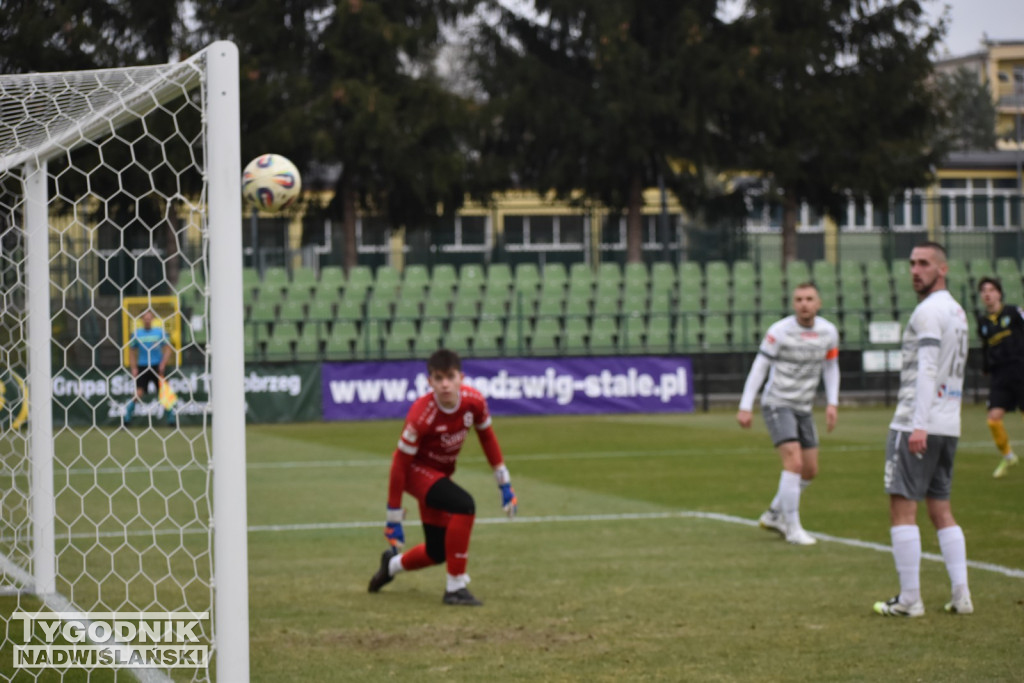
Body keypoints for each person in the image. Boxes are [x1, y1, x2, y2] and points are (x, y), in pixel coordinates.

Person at [367, 349, 518, 606]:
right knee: (464, 504)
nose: (445, 384)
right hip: (417, 474)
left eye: (450, 377)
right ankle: (455, 587)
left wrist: (504, 482)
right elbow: (400, 463)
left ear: (461, 377)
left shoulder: (475, 402)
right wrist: (393, 515)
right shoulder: (420, 415)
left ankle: (391, 566)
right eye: (438, 378)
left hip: (439, 476)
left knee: (437, 551)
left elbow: (487, 438)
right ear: (430, 382)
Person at [874, 242, 972, 617]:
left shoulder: (928, 311)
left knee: (902, 509)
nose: (915, 270)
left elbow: (929, 367)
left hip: (918, 424)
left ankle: (910, 599)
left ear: (942, 268)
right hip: (949, 423)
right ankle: (961, 594)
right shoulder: (957, 311)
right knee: (941, 510)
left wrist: (918, 425)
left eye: (924, 263)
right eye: (912, 263)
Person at [737, 282, 840, 546]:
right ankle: (792, 528)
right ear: (793, 304)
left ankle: (773, 513)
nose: (804, 303)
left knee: (810, 470)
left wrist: (832, 402)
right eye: (799, 299)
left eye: (809, 298)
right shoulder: (779, 331)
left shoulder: (828, 332)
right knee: (793, 463)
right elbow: (760, 367)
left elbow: (831, 367)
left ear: (818, 303)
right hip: (777, 402)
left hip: (804, 407)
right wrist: (746, 404)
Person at [976, 276, 1024, 478]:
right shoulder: (983, 322)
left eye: (991, 289)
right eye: (984, 290)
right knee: (993, 419)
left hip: (1020, 371)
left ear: (999, 293)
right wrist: (986, 367)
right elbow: (986, 347)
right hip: (999, 376)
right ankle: (1008, 456)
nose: (987, 294)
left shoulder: (1014, 312)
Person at [124, 310, 175, 427]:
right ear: (142, 320)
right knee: (139, 392)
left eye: (149, 318)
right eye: (145, 318)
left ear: (152, 319)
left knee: (164, 393)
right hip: (142, 366)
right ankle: (127, 419)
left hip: (157, 366)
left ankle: (171, 420)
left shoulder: (159, 333)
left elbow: (168, 348)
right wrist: (133, 368)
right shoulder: (137, 334)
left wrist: (163, 363)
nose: (147, 320)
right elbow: (131, 352)